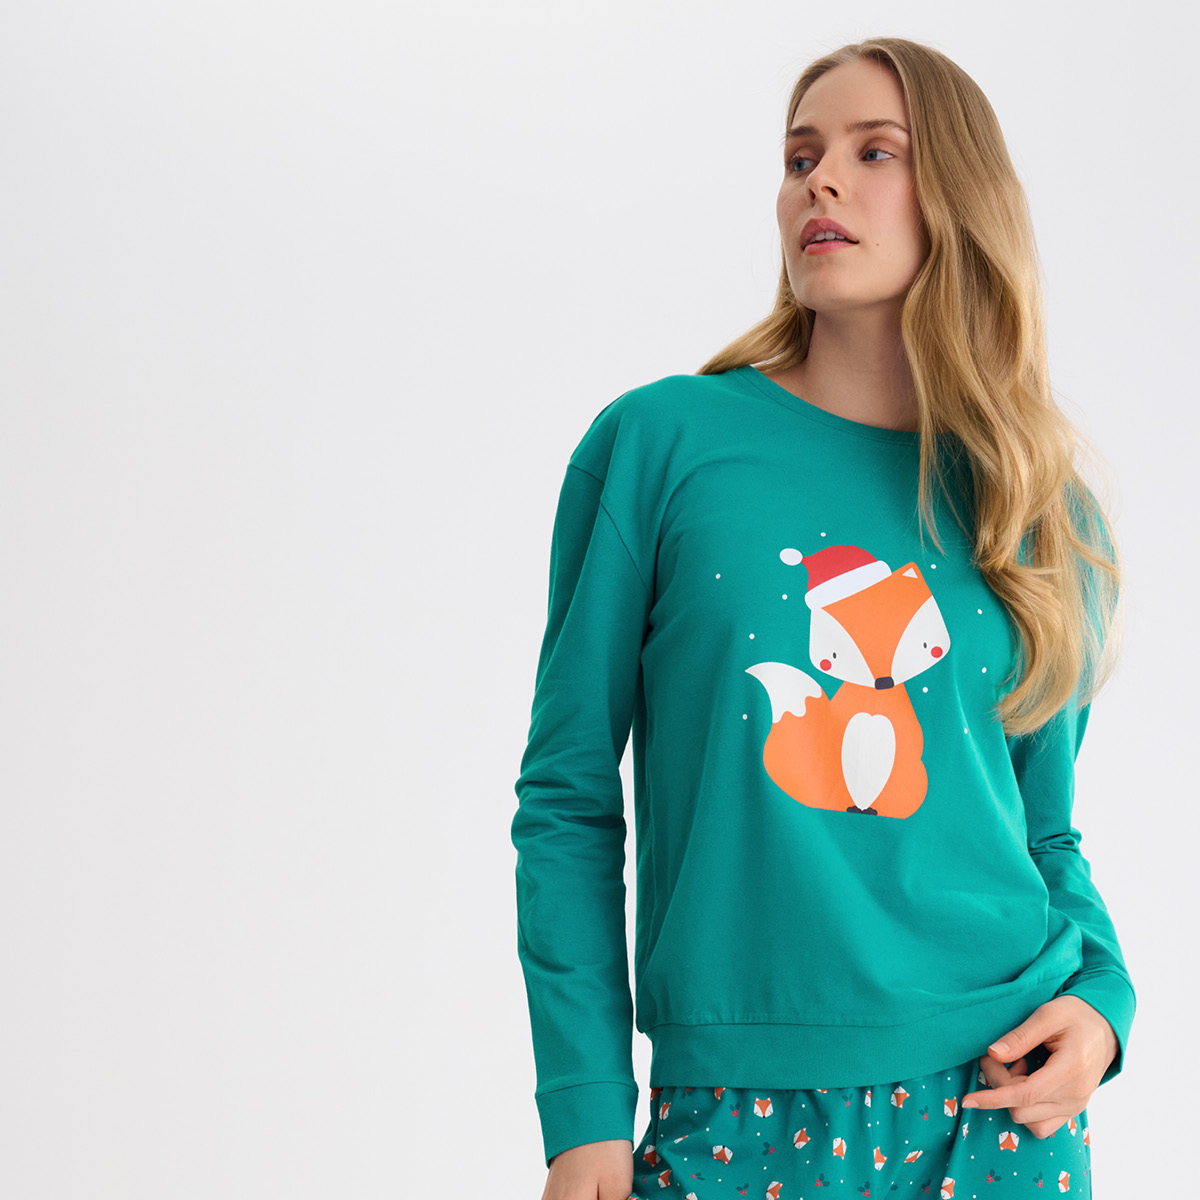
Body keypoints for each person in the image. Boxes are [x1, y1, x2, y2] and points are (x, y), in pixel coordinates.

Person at [510, 36, 1134, 1200]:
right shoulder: (661, 448)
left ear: (957, 195)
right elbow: (567, 799)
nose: (821, 182)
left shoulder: (1037, 507)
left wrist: (1104, 1003)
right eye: (801, 158)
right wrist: (583, 1106)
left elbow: (1042, 831)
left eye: (873, 152)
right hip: (732, 1111)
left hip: (1001, 1103)